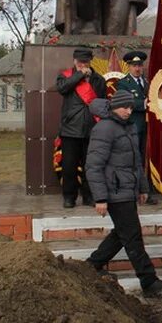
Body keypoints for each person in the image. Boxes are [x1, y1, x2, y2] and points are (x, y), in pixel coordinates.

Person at [85, 90, 162, 296]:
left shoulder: (129, 126)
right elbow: (93, 166)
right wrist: (100, 198)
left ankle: (91, 266)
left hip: (127, 189)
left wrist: (142, 188)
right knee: (132, 235)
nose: (128, 111)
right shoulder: (104, 128)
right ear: (114, 106)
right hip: (114, 191)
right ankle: (148, 281)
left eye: (131, 107)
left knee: (123, 233)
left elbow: (136, 162)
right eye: (124, 107)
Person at [56, 48, 106, 208]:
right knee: (69, 166)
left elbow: (101, 102)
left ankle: (89, 196)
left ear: (90, 62)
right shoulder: (65, 76)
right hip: (70, 129)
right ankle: (69, 197)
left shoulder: (98, 79)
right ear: (74, 61)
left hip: (92, 129)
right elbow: (62, 89)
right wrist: (79, 75)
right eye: (79, 62)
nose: (82, 65)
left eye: (85, 62)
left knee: (90, 166)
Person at [115, 50, 157, 204]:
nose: (137, 68)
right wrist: (143, 104)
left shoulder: (147, 83)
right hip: (132, 128)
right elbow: (126, 102)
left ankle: (146, 191)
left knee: (145, 159)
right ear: (128, 67)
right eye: (134, 66)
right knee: (134, 159)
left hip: (147, 128)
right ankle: (134, 190)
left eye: (139, 65)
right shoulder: (123, 83)